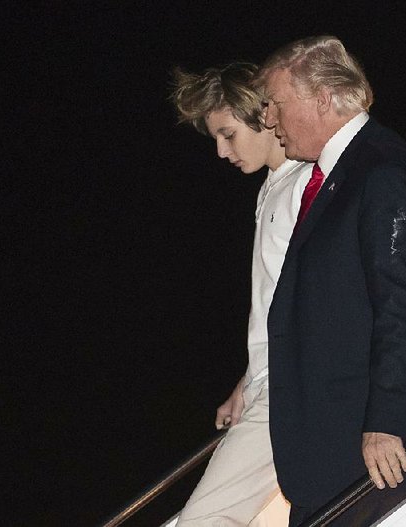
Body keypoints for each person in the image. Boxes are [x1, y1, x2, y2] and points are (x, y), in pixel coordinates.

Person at [257, 36, 406, 526]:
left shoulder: (382, 173)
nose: (269, 120)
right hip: (338, 462)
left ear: (321, 97)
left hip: (381, 460)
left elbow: (405, 308)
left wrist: (386, 422)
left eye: (274, 104)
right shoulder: (344, 174)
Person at [170, 63, 313, 525]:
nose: (219, 150)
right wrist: (248, 380)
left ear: (261, 116)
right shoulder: (273, 187)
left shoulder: (303, 184)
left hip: (294, 387)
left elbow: (316, 295)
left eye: (228, 134)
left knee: (202, 521)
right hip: (273, 384)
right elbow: (276, 298)